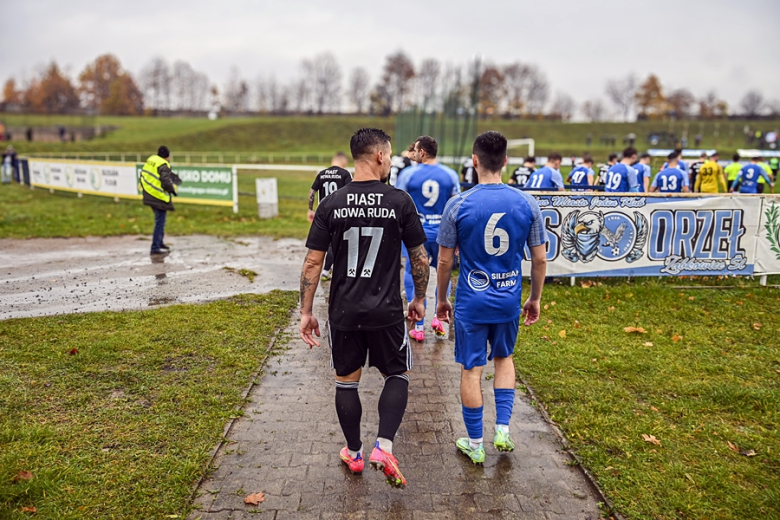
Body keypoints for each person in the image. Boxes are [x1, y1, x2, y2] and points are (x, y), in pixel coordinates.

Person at [299, 128, 429, 488]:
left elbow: (312, 263)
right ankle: (383, 446)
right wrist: (419, 299)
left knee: (346, 383)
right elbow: (420, 258)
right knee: (397, 374)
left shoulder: (331, 203)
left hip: (343, 311)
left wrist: (306, 311)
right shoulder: (400, 201)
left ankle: (354, 453)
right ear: (379, 157)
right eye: (388, 156)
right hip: (386, 311)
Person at [435, 130, 547, 464]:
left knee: (472, 369)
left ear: (474, 161)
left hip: (472, 301)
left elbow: (444, 260)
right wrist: (535, 298)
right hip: (509, 300)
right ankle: (502, 429)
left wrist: (441, 298)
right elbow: (540, 259)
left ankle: (475, 442)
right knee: (504, 359)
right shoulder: (527, 203)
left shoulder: (458, 204)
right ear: (506, 161)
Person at [395, 136, 460, 341]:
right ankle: (439, 320)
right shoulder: (450, 175)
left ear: (422, 152)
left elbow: (398, 203)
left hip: (416, 233)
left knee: (414, 270)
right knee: (444, 270)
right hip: (442, 233)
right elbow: (457, 207)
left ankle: (418, 324)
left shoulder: (409, 174)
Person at [308, 152, 352, 280]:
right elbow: (351, 191)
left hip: (322, 213)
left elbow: (311, 193)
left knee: (325, 243)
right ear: (343, 162)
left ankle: (329, 267)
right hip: (338, 213)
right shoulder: (345, 174)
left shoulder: (321, 174)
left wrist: (310, 210)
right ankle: (326, 271)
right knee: (336, 243)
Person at [140, 146, 177, 255]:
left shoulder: (151, 160)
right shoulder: (163, 164)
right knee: (160, 222)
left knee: (160, 220)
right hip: (158, 196)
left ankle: (159, 243)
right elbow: (165, 181)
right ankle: (155, 247)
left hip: (149, 193)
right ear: (167, 156)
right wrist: (172, 190)